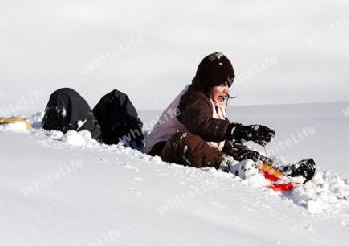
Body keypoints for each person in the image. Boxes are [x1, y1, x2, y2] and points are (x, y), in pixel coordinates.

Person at [145, 52, 315, 182]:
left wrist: (240, 138)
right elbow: (201, 125)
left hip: (198, 146)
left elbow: (216, 132)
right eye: (222, 85)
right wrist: (235, 130)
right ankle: (229, 166)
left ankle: (277, 169)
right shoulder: (193, 98)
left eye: (229, 85)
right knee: (182, 139)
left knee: (234, 147)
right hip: (164, 150)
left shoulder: (215, 99)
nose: (227, 90)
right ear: (208, 82)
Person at [42, 88, 144, 150]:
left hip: (95, 131)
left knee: (115, 97)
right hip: (93, 135)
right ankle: (131, 140)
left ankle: (131, 139)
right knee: (65, 95)